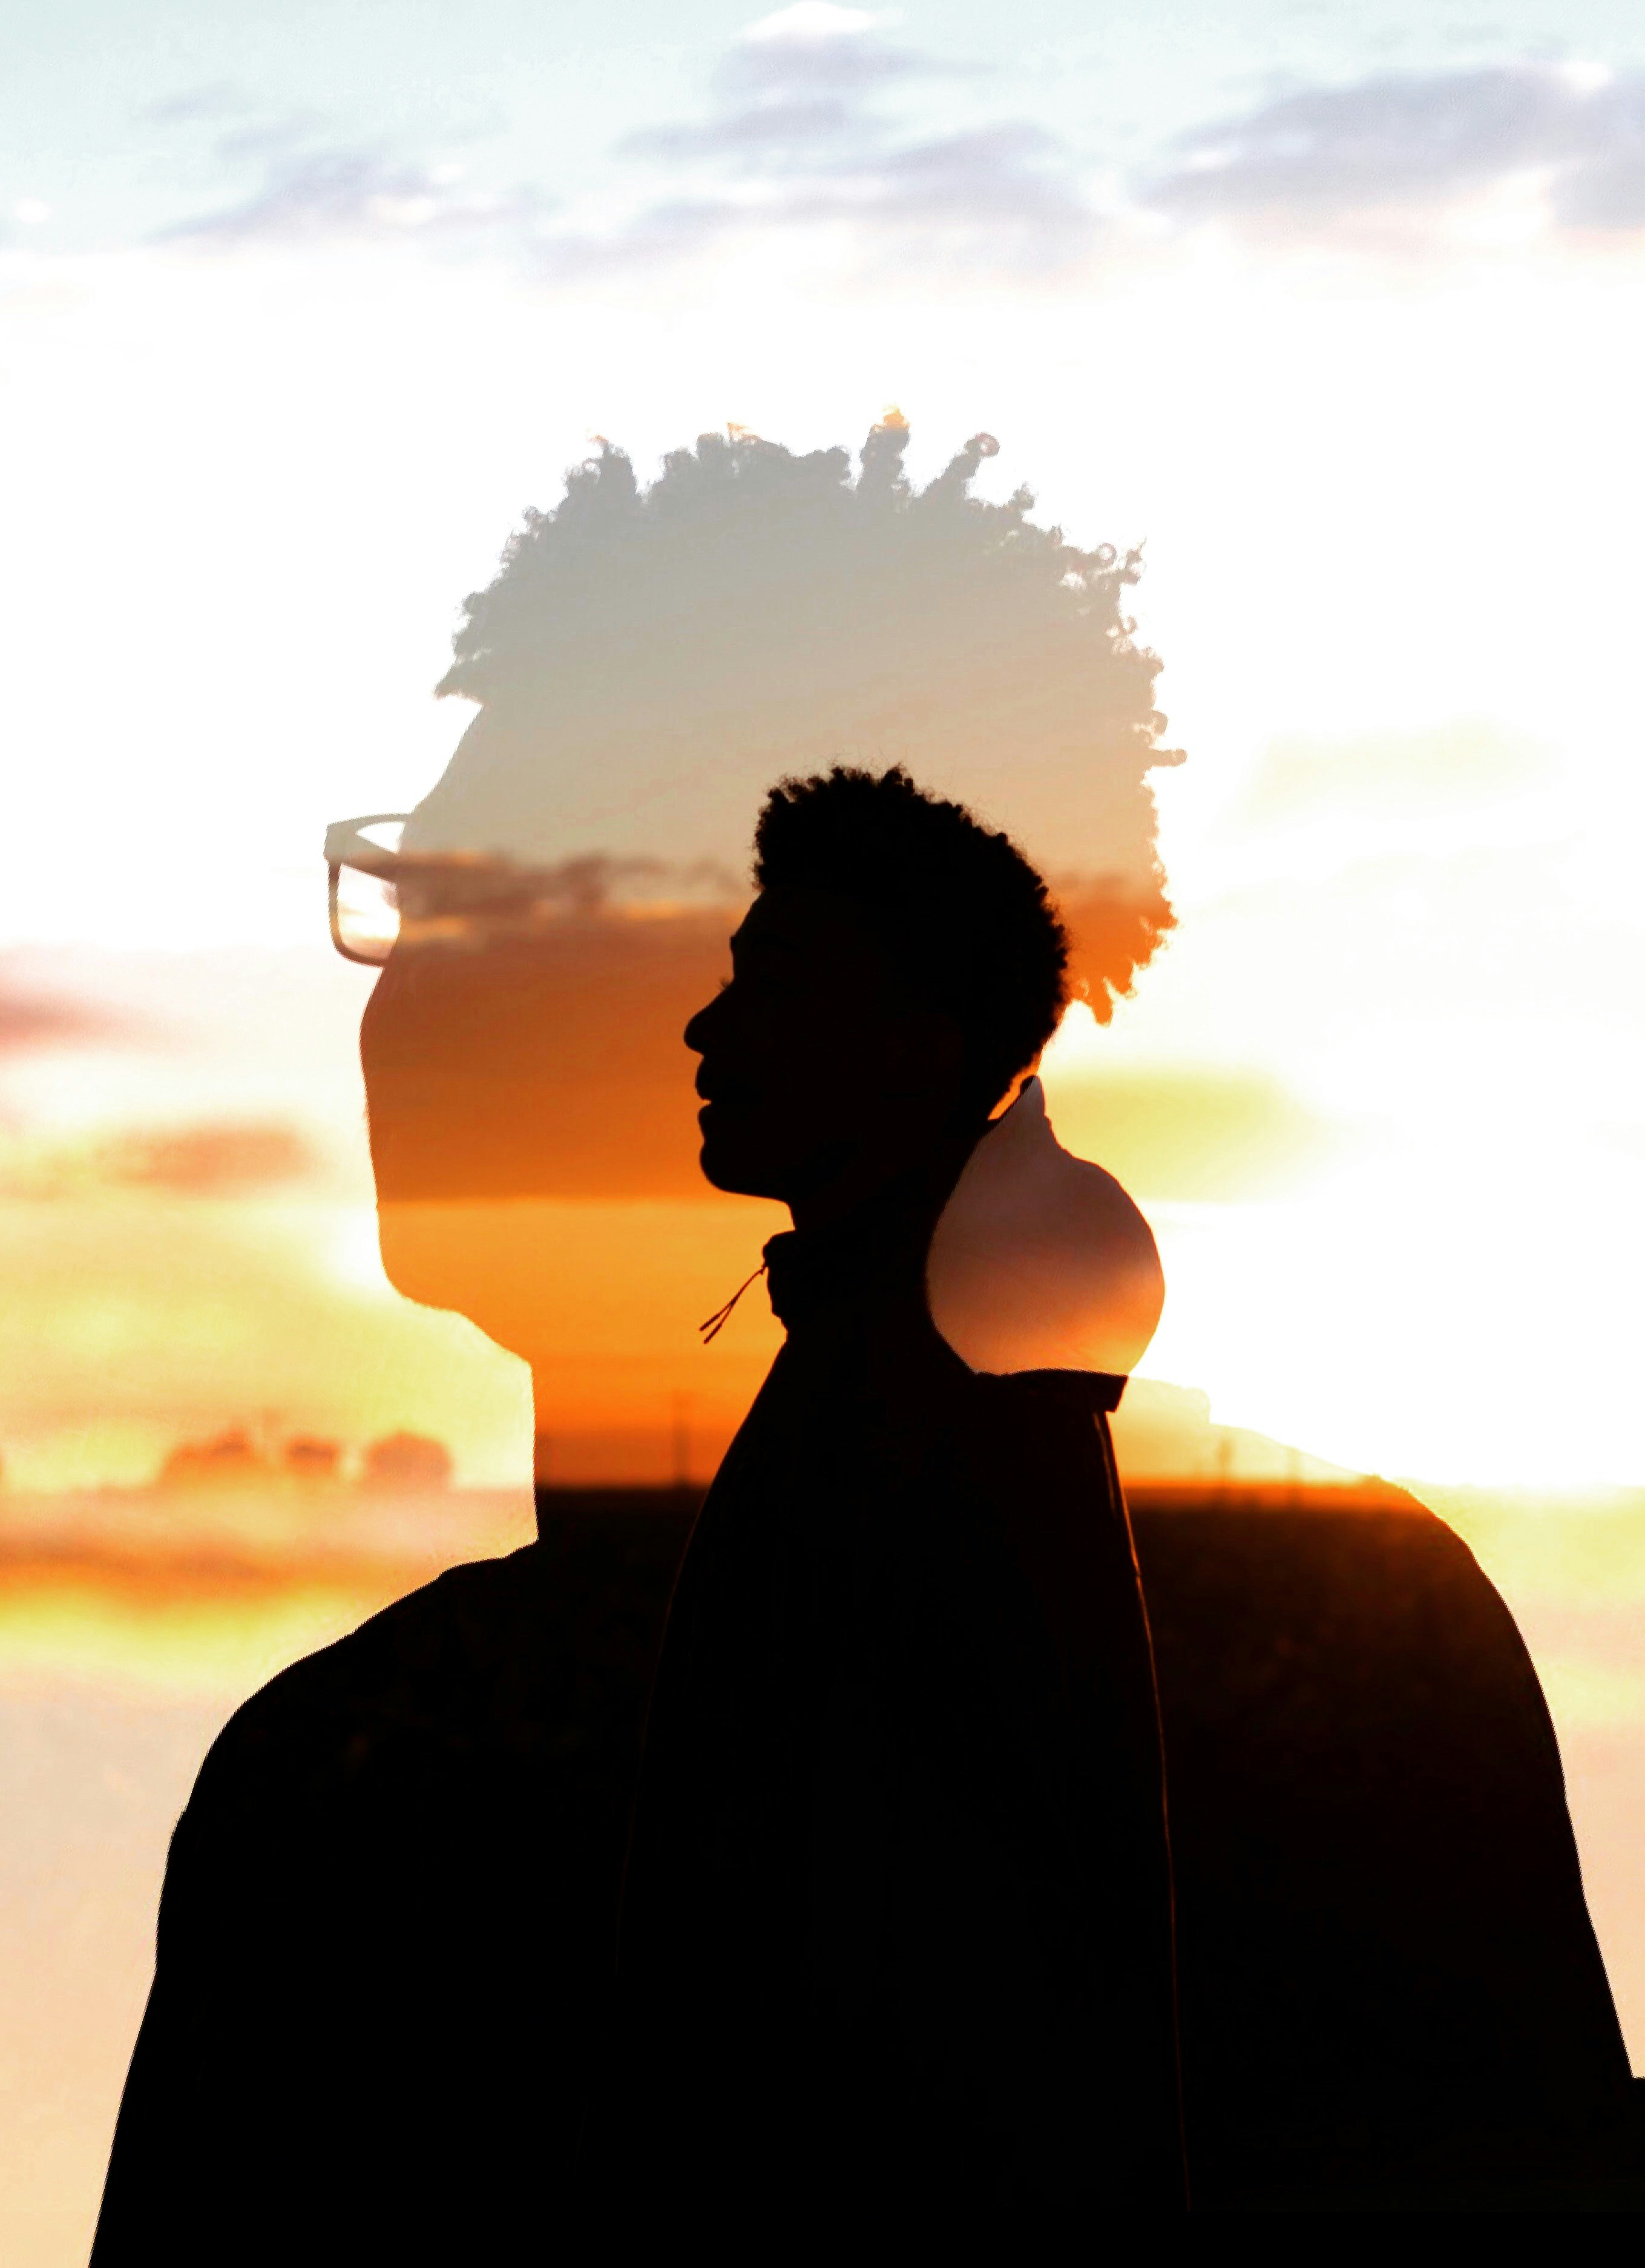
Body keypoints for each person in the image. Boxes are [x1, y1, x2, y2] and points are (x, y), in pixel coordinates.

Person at [597, 764, 1183, 2237]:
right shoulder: (905, 1341)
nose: (704, 1027)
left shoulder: (948, 1385)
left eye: (771, 984)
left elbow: (981, 1923)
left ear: (914, 1052)